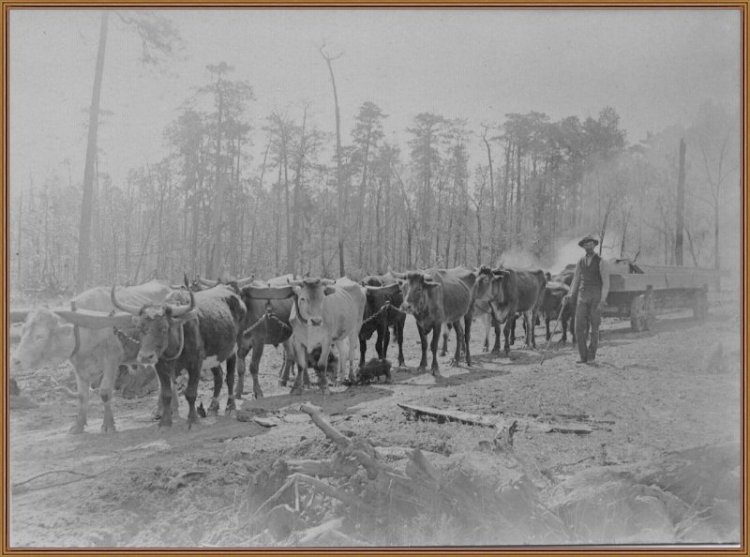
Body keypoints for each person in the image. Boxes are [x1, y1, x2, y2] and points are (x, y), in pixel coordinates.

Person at [564, 235, 610, 364]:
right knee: (578, 326)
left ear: (594, 246)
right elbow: (576, 279)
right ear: (583, 247)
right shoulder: (580, 261)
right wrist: (570, 294)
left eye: (590, 244)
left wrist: (603, 299)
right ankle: (582, 356)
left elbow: (606, 282)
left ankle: (591, 356)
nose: (588, 247)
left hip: (596, 298)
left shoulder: (602, 262)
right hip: (582, 297)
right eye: (586, 245)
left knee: (594, 327)